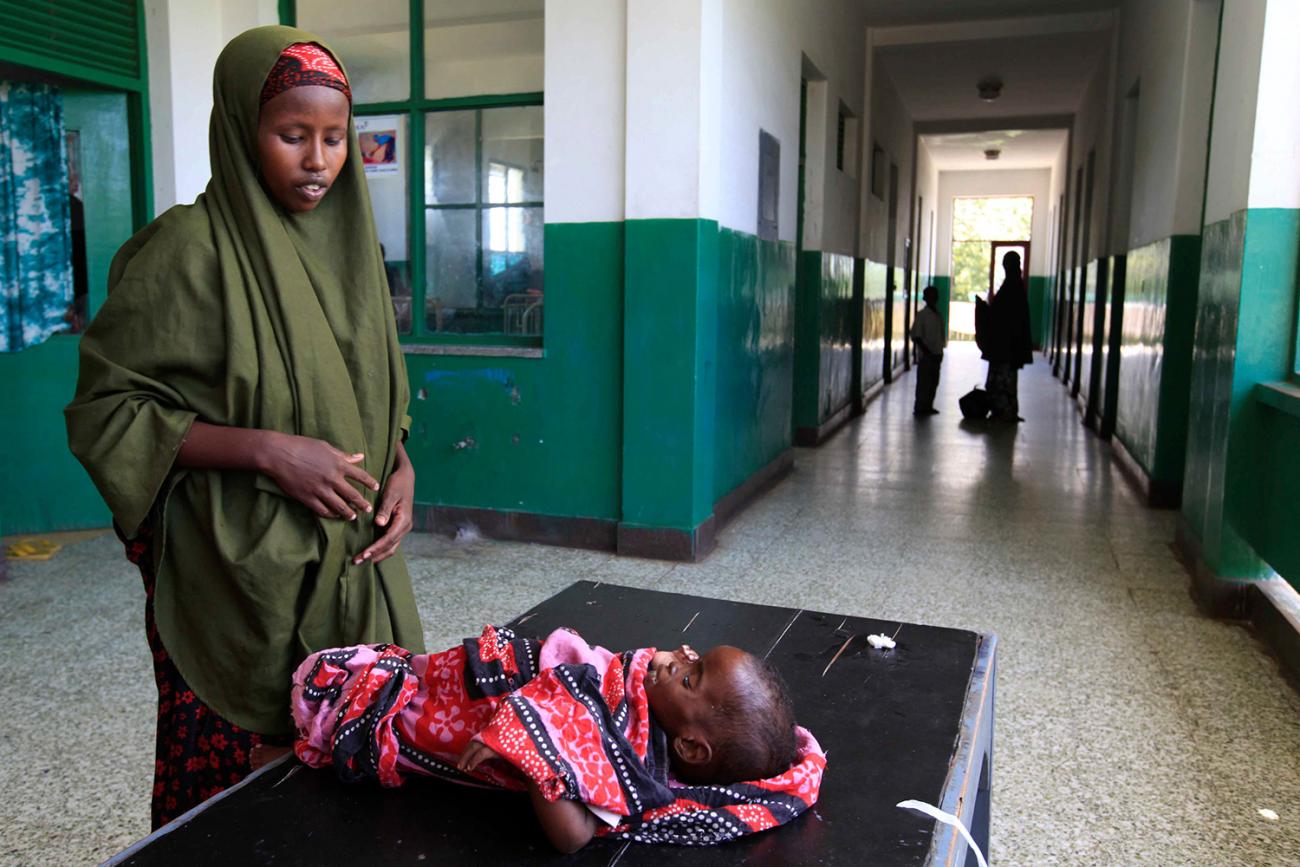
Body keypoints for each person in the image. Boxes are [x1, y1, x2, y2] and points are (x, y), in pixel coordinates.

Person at [64, 28, 424, 829]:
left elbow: (370, 393)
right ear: (237, 128)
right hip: (234, 580)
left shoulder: (353, 248)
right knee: (233, 813)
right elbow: (109, 411)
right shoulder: (185, 251)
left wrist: (400, 466)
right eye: (292, 135)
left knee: (351, 780)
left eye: (335, 139)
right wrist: (266, 451)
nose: (319, 161)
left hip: (351, 568)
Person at [292, 625, 827, 852]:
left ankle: (316, 737)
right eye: (695, 654)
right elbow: (585, 678)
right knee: (412, 674)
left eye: (692, 677)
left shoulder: (633, 767)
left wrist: (533, 739)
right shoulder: (638, 692)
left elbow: (570, 837)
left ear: (689, 747)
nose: (680, 655)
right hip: (477, 684)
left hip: (467, 721)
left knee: (387, 710)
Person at [983, 250, 1033, 422]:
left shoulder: (1010, 288)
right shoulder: (1015, 286)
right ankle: (1008, 411)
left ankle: (1003, 411)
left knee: (1002, 380)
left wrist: (986, 311)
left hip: (1004, 346)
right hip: (1010, 345)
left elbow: (1003, 317)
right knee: (1008, 379)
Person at [910, 285, 945, 416]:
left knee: (933, 382)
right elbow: (916, 336)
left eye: (935, 295)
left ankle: (928, 406)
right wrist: (926, 351)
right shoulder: (922, 315)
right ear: (925, 298)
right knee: (924, 382)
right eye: (930, 295)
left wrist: (940, 351)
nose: (933, 298)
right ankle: (920, 407)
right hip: (926, 355)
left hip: (937, 353)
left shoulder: (937, 314)